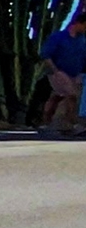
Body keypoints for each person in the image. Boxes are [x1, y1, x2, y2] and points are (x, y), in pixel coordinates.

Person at [42, 7, 86, 137]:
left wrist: (79, 73)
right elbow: (45, 55)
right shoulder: (58, 37)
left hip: (74, 74)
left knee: (58, 96)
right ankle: (72, 124)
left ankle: (47, 121)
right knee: (72, 95)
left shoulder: (81, 40)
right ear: (78, 23)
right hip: (58, 72)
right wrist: (56, 71)